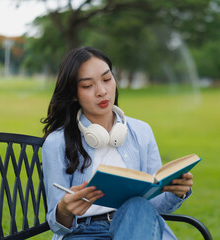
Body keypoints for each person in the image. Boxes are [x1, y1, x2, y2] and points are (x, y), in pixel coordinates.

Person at [41, 46, 194, 240]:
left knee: (138, 206)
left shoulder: (142, 131)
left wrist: (176, 192)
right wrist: (65, 208)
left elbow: (153, 206)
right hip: (84, 232)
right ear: (73, 94)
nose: (102, 91)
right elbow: (56, 224)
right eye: (88, 86)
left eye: (107, 79)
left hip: (137, 226)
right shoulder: (57, 142)